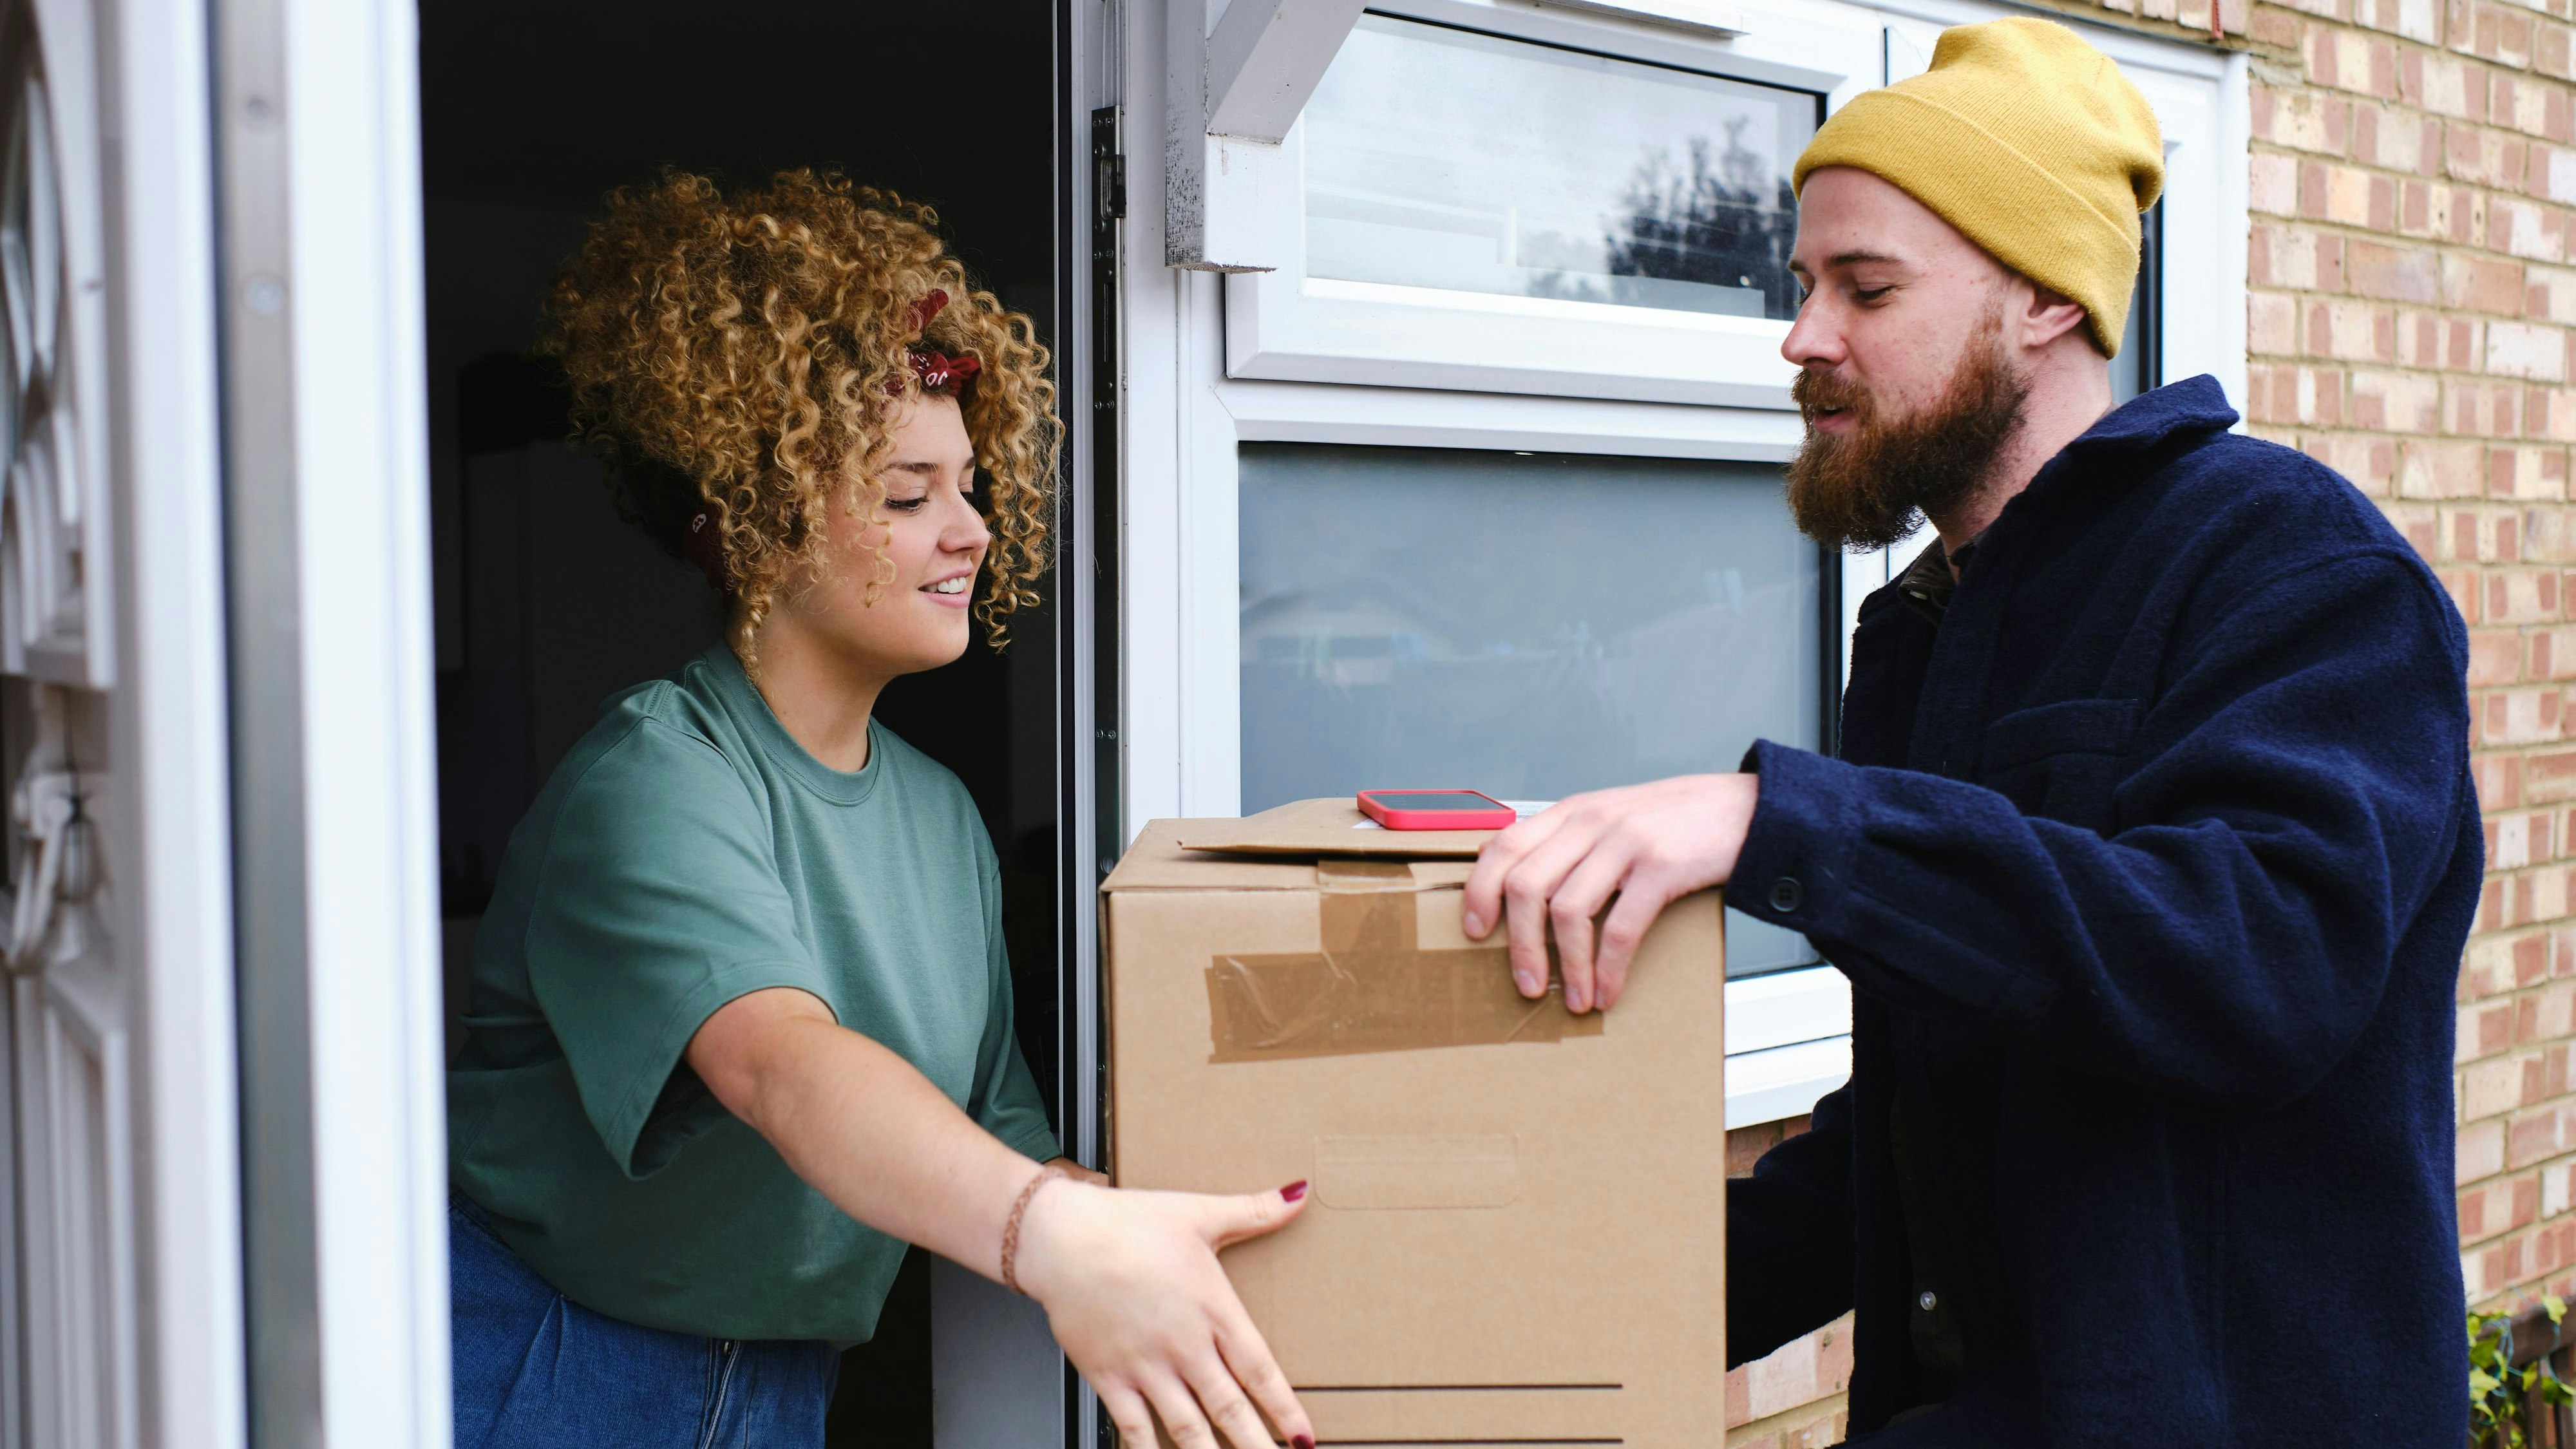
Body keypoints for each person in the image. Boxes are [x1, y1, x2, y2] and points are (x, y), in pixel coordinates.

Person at [1463, 20, 2476, 1446]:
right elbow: (1934, 1117)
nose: (1802, 337)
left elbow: (2256, 966)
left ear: (2044, 302)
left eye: (1864, 288)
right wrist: (1492, 1306)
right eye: (1803, 283)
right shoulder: (1928, 628)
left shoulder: (2293, 567)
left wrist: (1774, 822)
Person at [446, 171, 1313, 1449]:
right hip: (554, 1364)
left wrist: (1169, 1221)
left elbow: (989, 1138)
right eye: (909, 495)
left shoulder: (941, 819)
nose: (968, 531)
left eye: (968, 486)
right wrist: (1052, 1237)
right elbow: (786, 1068)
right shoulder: (654, 778)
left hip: (781, 1385)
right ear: (749, 525)